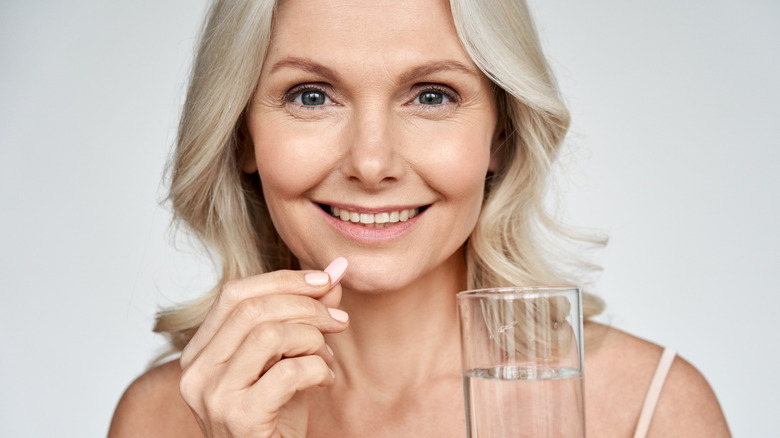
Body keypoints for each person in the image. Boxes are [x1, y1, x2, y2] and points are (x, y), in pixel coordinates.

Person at [108, 0, 731, 436]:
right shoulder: (162, 421)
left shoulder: (651, 411)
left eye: (432, 95)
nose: (371, 162)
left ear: (501, 137)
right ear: (242, 134)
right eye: (311, 95)